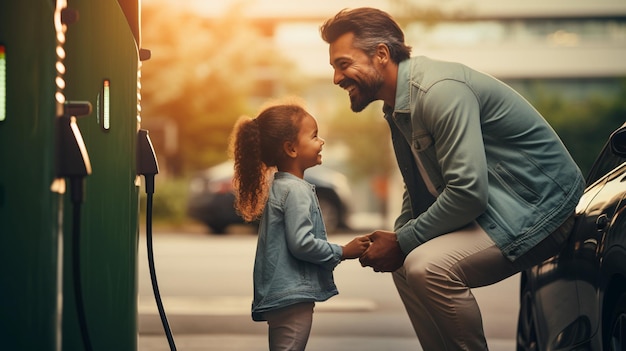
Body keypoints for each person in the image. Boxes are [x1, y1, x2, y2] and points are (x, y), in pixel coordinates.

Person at [320, 8, 585, 350]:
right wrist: (397, 237)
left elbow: (468, 194)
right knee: (405, 264)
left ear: (381, 55)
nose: (337, 78)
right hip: (495, 210)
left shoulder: (437, 92)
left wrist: (402, 241)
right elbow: (418, 188)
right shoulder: (399, 105)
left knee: (426, 267)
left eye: (343, 64)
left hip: (541, 209)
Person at [229, 100, 371, 351]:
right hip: (292, 296)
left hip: (281, 293)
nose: (321, 141)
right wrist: (342, 251)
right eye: (314, 136)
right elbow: (301, 244)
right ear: (291, 149)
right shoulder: (296, 191)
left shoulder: (281, 185)